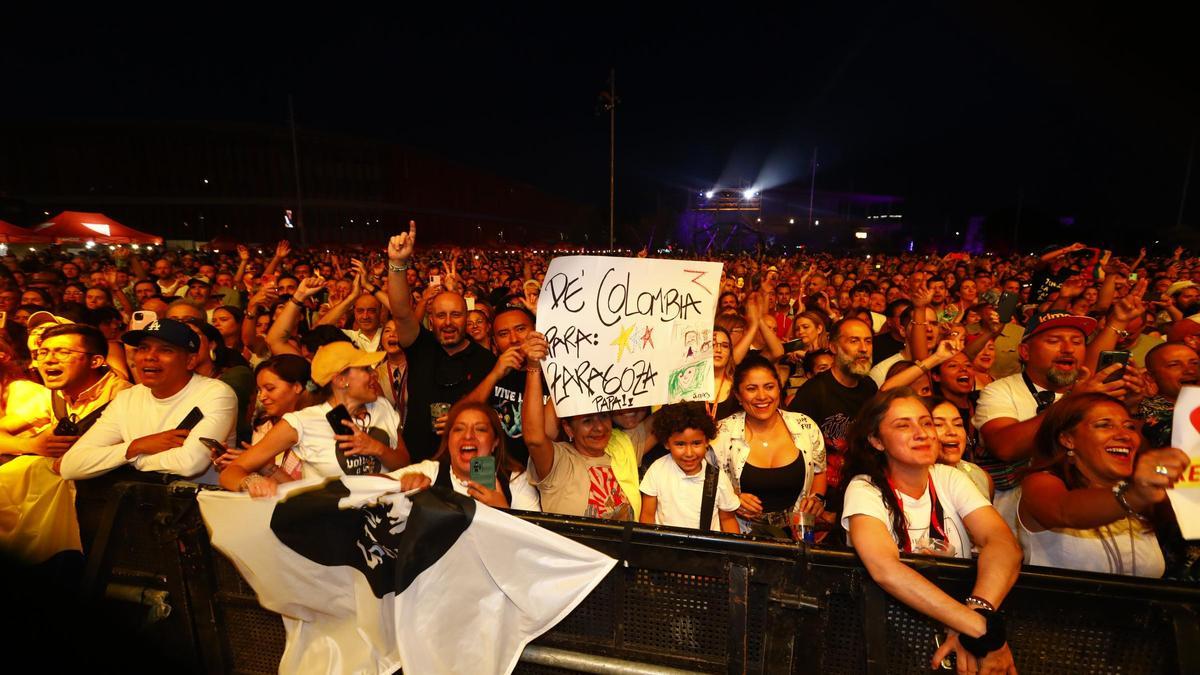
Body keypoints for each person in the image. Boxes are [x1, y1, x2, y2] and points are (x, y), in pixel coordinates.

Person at [841, 389, 1021, 672]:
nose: (922, 433)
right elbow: (885, 569)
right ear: (876, 441)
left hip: (960, 628)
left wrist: (976, 615)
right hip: (890, 639)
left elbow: (1002, 544)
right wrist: (983, 632)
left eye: (926, 423)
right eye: (903, 425)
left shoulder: (949, 477)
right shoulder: (865, 488)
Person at [1018, 392, 1190, 577]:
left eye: (1129, 426)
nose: (1124, 435)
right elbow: (1064, 510)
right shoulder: (1040, 483)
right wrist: (1134, 495)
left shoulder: (1142, 493)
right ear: (1068, 439)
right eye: (1104, 425)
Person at [58, 318, 238, 482]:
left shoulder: (216, 394)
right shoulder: (127, 398)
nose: (149, 356)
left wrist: (125, 459)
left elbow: (189, 464)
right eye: (143, 348)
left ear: (190, 361)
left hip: (198, 508)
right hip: (140, 507)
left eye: (165, 350)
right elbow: (70, 465)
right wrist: (135, 447)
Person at [219, 342, 409, 496]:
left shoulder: (381, 406)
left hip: (385, 522)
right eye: (366, 369)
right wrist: (252, 482)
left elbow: (404, 463)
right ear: (341, 380)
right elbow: (231, 472)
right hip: (332, 528)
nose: (375, 374)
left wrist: (376, 448)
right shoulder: (301, 422)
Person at [386, 222, 497, 461]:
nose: (448, 322)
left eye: (456, 315)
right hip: (420, 461)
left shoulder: (486, 361)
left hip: (475, 462)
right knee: (420, 499)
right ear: (430, 320)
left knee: (481, 498)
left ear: (467, 319)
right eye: (440, 315)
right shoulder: (420, 346)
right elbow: (402, 313)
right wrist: (397, 264)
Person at [520, 330, 656, 520]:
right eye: (587, 421)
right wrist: (534, 367)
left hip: (622, 550)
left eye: (603, 416)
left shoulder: (622, 445)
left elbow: (667, 415)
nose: (599, 427)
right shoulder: (559, 460)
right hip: (573, 550)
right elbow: (534, 438)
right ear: (568, 428)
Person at [712, 354, 826, 536]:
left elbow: (819, 471)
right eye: (751, 389)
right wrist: (731, 499)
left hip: (797, 536)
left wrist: (817, 499)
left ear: (779, 389)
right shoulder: (721, 434)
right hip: (739, 534)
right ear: (738, 395)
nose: (762, 396)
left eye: (769, 387)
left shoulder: (805, 426)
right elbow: (706, 487)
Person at [787, 317, 877, 509]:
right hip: (821, 502)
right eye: (854, 341)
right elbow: (797, 454)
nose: (863, 348)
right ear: (833, 347)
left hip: (863, 495)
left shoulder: (869, 387)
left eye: (868, 341)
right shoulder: (813, 393)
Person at [390, 400, 540, 511]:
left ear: (495, 442)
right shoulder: (431, 472)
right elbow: (371, 485)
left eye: (480, 429)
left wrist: (502, 511)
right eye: (459, 429)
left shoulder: (515, 481)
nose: (468, 436)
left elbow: (536, 546)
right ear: (448, 440)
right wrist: (400, 483)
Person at [640, 402, 740, 533]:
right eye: (680, 444)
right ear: (666, 443)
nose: (689, 453)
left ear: (707, 442)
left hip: (704, 551)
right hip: (664, 550)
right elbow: (647, 516)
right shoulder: (657, 470)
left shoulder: (717, 478)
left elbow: (727, 520)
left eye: (696, 443)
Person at [1136, 341, 1200, 447]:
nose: (1190, 371)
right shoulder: (1146, 413)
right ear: (1150, 377)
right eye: (1174, 365)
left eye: (1195, 363)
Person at [929, 397, 993, 500]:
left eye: (958, 424)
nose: (952, 432)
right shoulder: (912, 486)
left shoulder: (980, 476)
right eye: (938, 424)